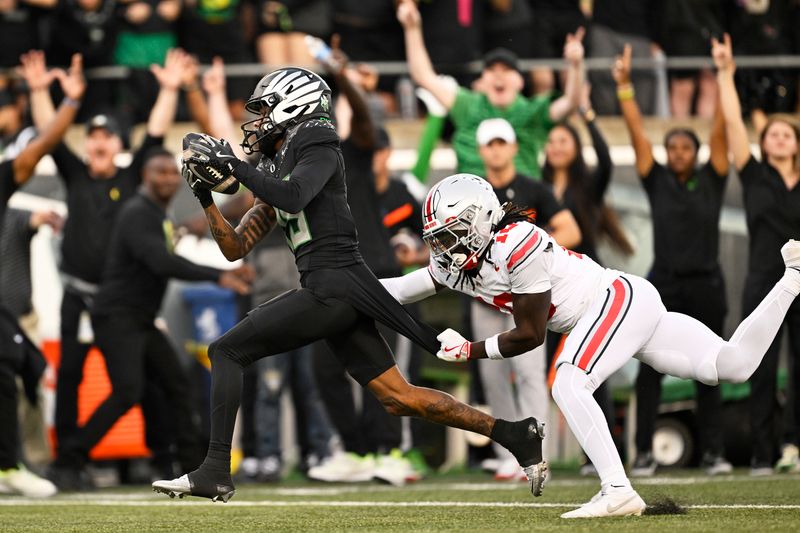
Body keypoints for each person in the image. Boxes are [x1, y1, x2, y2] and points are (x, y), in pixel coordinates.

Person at [152, 66, 548, 502]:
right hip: (334, 290)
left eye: (266, 110)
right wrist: (206, 199)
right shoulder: (277, 164)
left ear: (293, 104)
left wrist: (234, 167)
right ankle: (514, 434)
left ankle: (214, 470)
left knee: (226, 350)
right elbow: (236, 245)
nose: (259, 121)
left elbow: (294, 195)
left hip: (335, 285)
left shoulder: (317, 141)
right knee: (400, 398)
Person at [378, 173, 800, 518]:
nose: (443, 248)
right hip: (618, 310)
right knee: (730, 364)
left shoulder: (516, 243)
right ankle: (793, 279)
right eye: (439, 238)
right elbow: (397, 289)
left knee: (568, 383)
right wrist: (342, 288)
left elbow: (531, 334)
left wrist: (470, 349)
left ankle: (617, 489)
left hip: (612, 299)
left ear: (481, 220)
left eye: (452, 234)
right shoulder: (457, 263)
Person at [47, 147, 253, 490]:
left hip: (139, 318)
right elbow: (162, 263)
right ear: (145, 176)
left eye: (173, 173)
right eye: (161, 172)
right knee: (128, 391)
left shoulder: (157, 215)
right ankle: (68, 460)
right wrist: (220, 274)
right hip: (116, 317)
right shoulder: (137, 213)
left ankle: (192, 465)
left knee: (175, 385)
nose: (169, 179)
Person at [19, 49, 186, 463]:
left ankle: (160, 452)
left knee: (143, 378)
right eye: (92, 136)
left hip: (123, 303)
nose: (98, 142)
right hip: (78, 296)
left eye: (106, 136)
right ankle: (69, 462)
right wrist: (41, 92)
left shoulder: (133, 179)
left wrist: (168, 89)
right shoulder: (75, 174)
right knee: (72, 374)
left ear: (118, 145)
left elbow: (155, 136)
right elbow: (49, 135)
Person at [615, 42, 733, 477]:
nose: (679, 152)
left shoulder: (714, 180)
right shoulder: (657, 180)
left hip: (706, 283)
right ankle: (643, 453)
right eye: (673, 147)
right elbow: (636, 135)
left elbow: (721, 131)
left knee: (710, 368)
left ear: (698, 153)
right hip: (662, 283)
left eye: (686, 147)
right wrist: (625, 88)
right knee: (649, 371)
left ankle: (714, 453)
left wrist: (723, 76)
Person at [474, 117, 581, 480]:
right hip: (485, 299)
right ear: (481, 150)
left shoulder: (534, 189)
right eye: (490, 144)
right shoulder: (475, 194)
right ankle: (510, 452)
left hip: (526, 301)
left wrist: (525, 251)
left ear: (514, 148)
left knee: (530, 373)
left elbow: (570, 229)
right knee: (493, 376)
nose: (497, 149)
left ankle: (539, 453)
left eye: (502, 142)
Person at [714, 33, 800, 475]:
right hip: (764, 281)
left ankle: (794, 447)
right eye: (773, 134)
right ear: (765, 144)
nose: (780, 139)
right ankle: (764, 454)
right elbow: (733, 127)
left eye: (788, 133)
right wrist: (727, 75)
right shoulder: (755, 178)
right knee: (760, 367)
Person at [0, 82, 83, 498]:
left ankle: (18, 463)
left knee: (20, 368)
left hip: (13, 312)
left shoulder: (11, 204)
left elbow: (44, 143)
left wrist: (67, 102)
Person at [397, 0, 584, 179]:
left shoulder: (532, 110)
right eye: (492, 70)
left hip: (519, 205)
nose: (499, 76)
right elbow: (423, 76)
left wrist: (576, 66)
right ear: (481, 82)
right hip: (471, 203)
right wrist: (412, 28)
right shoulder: (467, 105)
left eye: (507, 70)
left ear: (520, 82)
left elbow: (570, 102)